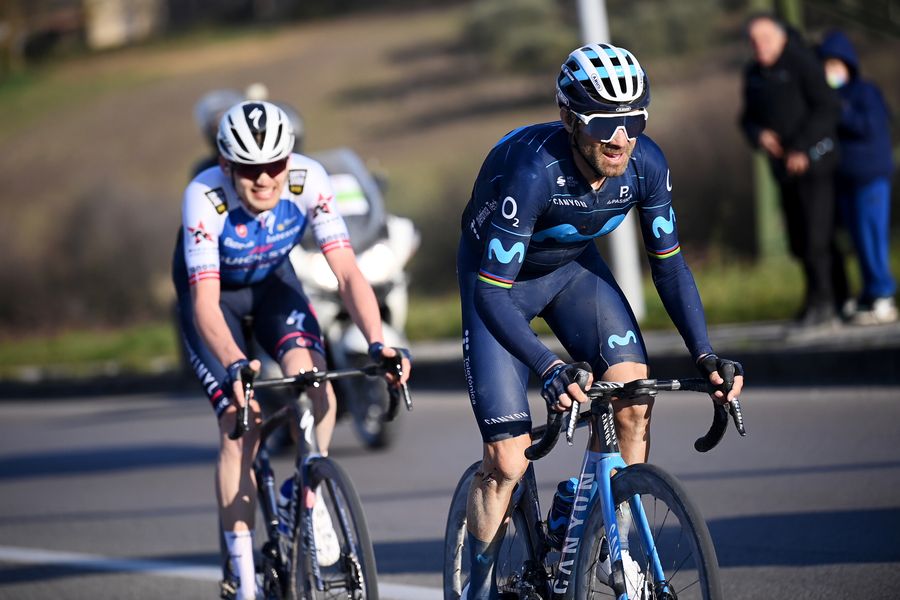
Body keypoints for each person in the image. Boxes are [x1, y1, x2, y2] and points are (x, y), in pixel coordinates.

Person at [457, 43, 744, 599]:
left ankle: (612, 545)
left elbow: (670, 267)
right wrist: (547, 366)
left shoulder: (645, 164)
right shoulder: (533, 171)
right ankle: (480, 587)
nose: (620, 138)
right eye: (602, 123)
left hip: (572, 273)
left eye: (633, 121)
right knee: (507, 461)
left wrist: (705, 354)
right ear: (569, 120)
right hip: (497, 284)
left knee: (632, 396)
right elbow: (492, 293)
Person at [172, 100, 410, 600]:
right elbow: (205, 304)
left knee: (316, 385)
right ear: (225, 165)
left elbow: (347, 272)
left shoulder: (308, 179)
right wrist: (235, 363)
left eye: (274, 165)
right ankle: (242, 573)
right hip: (216, 302)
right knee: (242, 423)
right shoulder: (204, 197)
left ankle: (309, 494)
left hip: (273, 287)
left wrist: (378, 343)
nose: (264, 179)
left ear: (289, 160)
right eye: (249, 169)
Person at [739, 14, 849, 328]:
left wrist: (802, 146)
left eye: (765, 39)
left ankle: (828, 300)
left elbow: (828, 107)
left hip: (816, 163)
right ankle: (818, 297)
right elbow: (746, 118)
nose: (759, 46)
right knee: (799, 239)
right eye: (754, 41)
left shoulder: (802, 63)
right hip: (783, 169)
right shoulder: (754, 74)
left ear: (782, 38)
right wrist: (759, 134)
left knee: (818, 237)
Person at [817, 29, 897, 325]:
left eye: (835, 65)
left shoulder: (865, 92)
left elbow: (870, 126)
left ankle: (883, 294)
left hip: (870, 177)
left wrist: (840, 111)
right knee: (859, 240)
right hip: (847, 180)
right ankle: (870, 293)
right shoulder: (832, 97)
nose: (830, 72)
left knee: (872, 237)